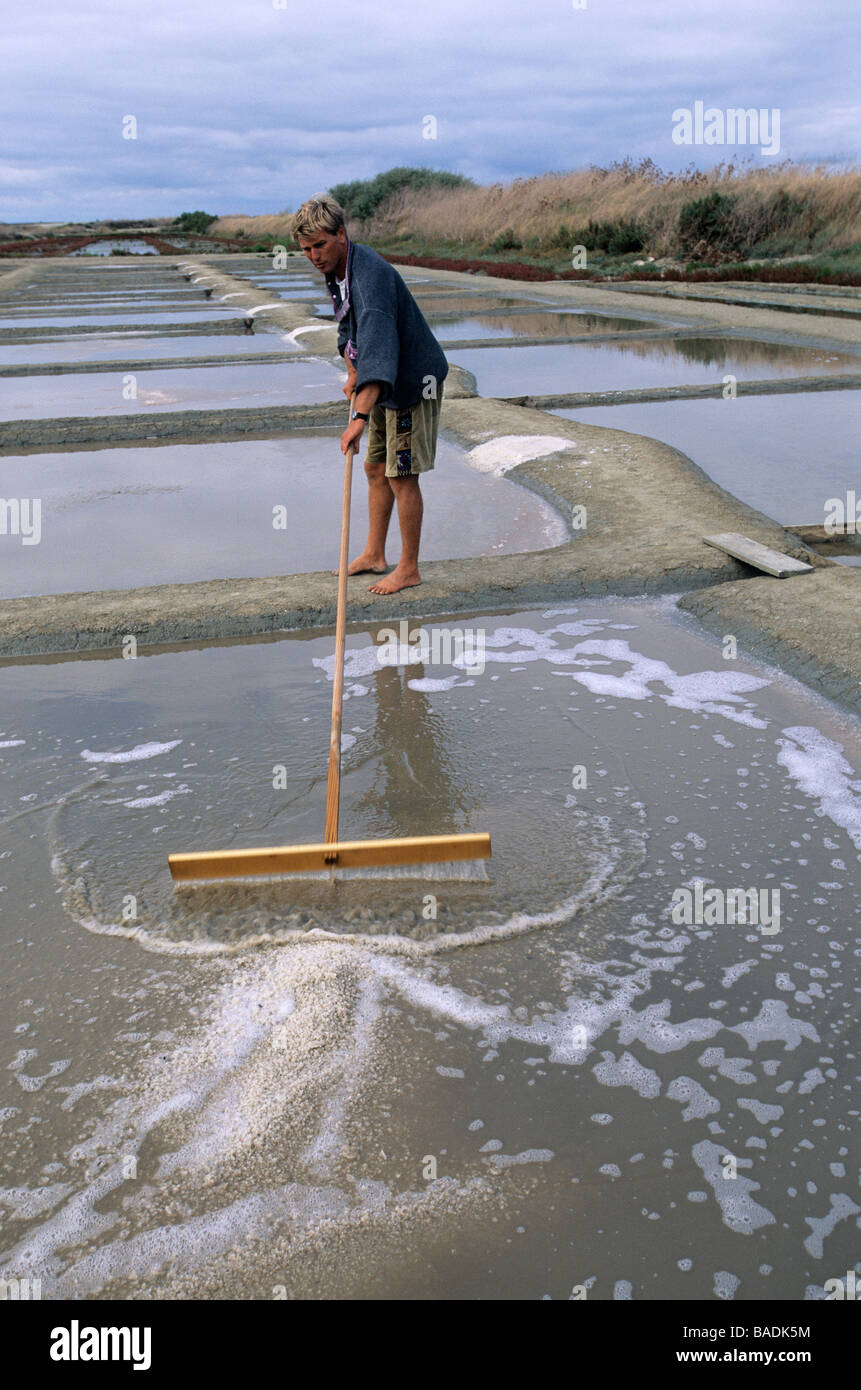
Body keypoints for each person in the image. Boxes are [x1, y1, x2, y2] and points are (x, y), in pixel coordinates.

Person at [292, 193, 449, 594]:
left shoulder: (369, 278)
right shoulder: (339, 268)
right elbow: (349, 329)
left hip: (411, 382)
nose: (314, 255)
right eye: (306, 249)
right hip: (381, 380)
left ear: (341, 234)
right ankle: (375, 555)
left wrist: (358, 419)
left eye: (320, 245)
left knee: (402, 474)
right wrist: (351, 369)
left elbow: (379, 349)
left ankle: (409, 567)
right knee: (374, 468)